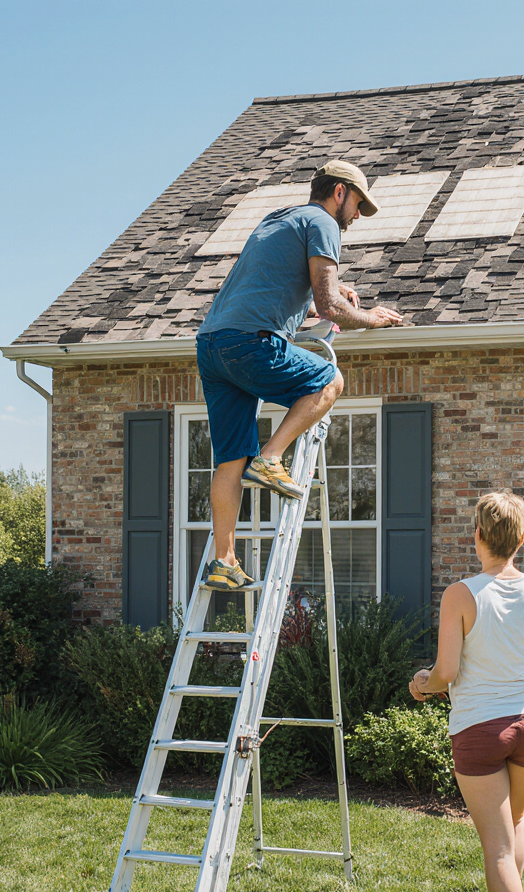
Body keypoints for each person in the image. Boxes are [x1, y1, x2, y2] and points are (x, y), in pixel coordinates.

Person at [195, 159, 403, 590]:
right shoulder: (323, 222)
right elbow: (330, 306)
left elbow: (285, 294)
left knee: (230, 458)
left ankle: (224, 561)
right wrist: (371, 317)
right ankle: (271, 458)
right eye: (357, 206)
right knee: (330, 380)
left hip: (213, 344)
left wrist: (324, 297)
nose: (356, 218)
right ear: (340, 192)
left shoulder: (278, 220)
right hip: (250, 342)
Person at [409, 491, 524, 892]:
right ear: (521, 538)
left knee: (496, 845)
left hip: (480, 729)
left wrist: (421, 683)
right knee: (515, 821)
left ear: (477, 535)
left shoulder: (460, 594)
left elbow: (446, 672)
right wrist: (514, 677)